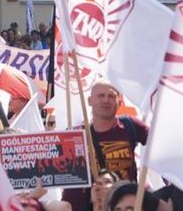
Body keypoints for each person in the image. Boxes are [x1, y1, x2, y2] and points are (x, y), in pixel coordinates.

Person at [62, 81, 149, 210]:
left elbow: (161, 144)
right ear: (90, 100)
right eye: (101, 96)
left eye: (111, 96)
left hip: (122, 206)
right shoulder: (74, 135)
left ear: (119, 101)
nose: (106, 100)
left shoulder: (130, 126)